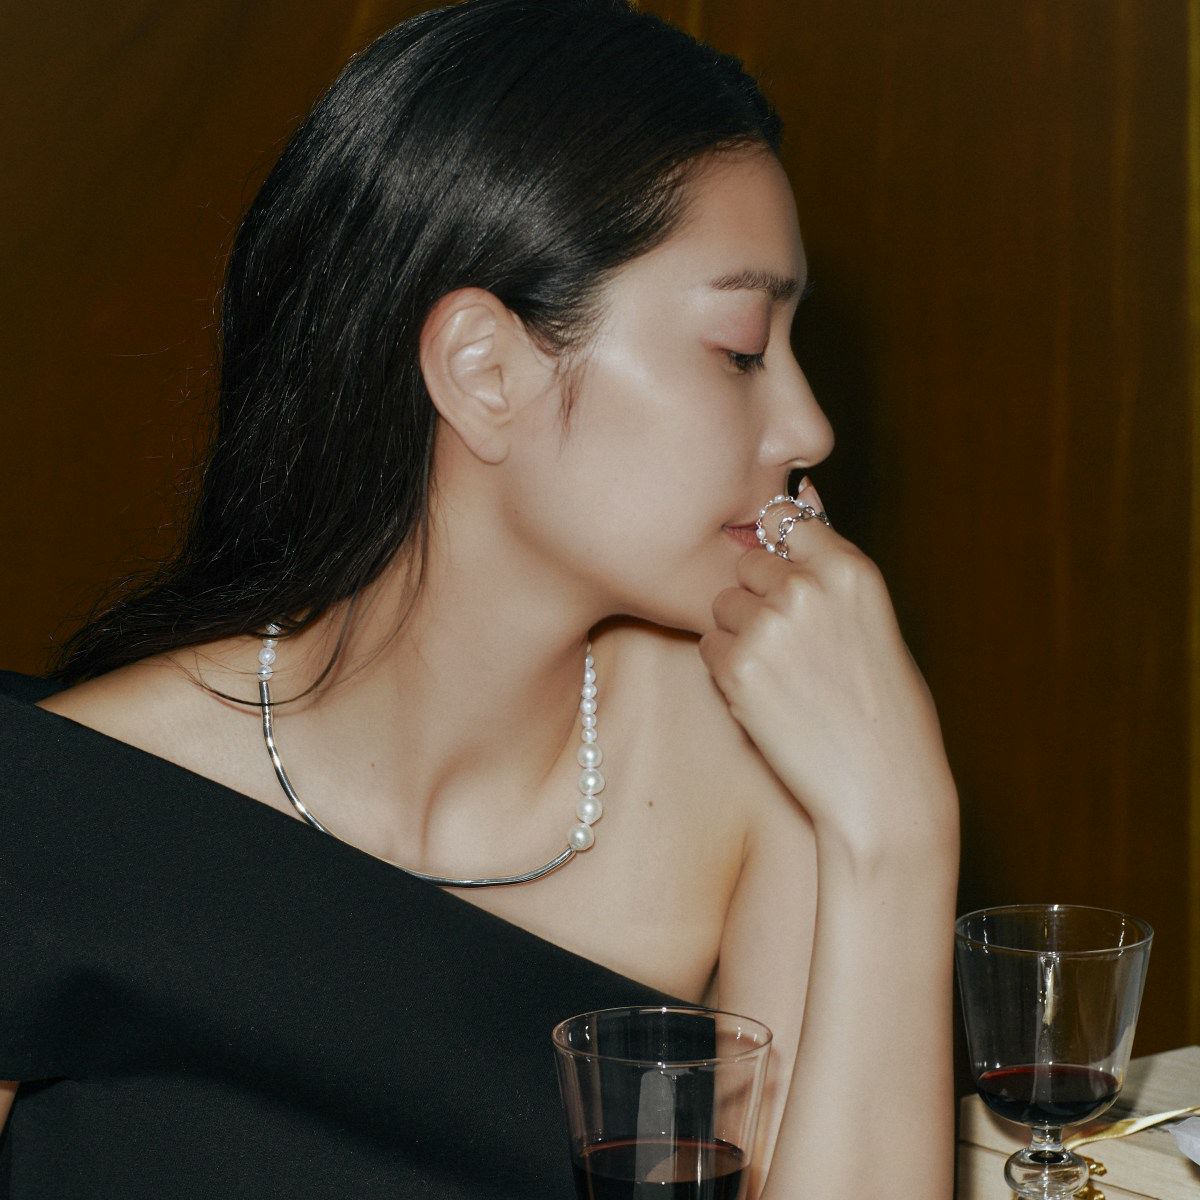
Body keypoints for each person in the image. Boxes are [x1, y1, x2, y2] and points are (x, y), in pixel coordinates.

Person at [0, 1, 959, 1196]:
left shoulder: (767, 744)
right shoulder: (60, 812)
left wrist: (898, 828)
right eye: (743, 348)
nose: (809, 427)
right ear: (485, 371)